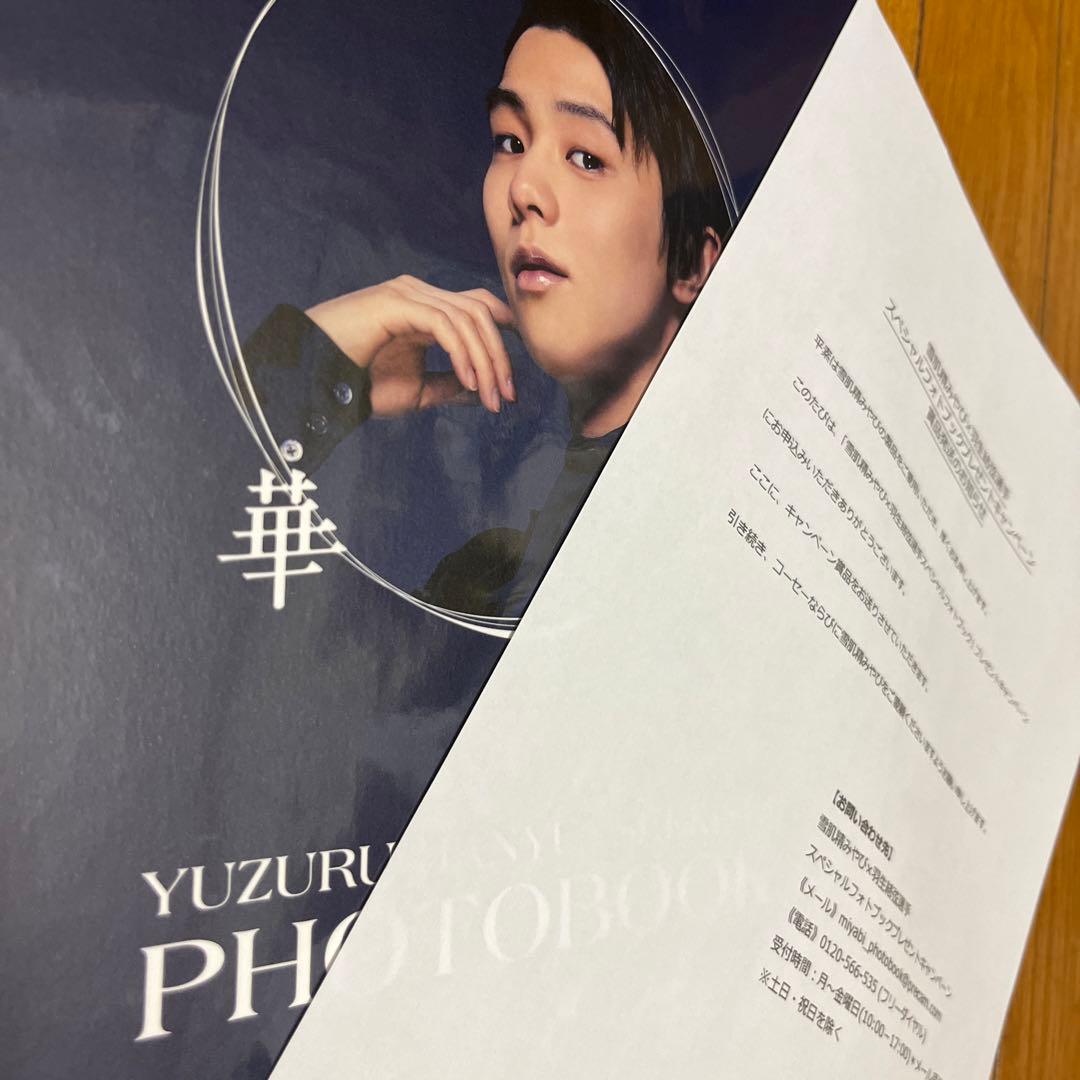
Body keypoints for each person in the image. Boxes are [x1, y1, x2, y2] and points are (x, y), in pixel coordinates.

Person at [244, 0, 731, 617]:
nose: (523, 189)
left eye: (586, 157)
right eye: (511, 141)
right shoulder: (491, 547)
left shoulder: (702, 552)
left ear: (692, 265)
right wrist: (328, 367)